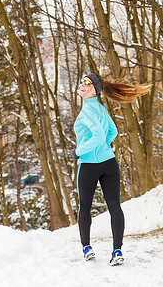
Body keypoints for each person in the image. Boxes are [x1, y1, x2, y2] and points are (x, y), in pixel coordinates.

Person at [72, 73, 149, 265]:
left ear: (95, 89)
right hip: (109, 163)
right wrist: (103, 148)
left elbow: (98, 135)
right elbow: (112, 131)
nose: (82, 85)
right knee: (115, 207)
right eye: (82, 81)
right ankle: (117, 251)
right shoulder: (101, 109)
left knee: (85, 207)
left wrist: (79, 151)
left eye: (87, 83)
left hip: (88, 164)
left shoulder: (86, 111)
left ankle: (87, 247)